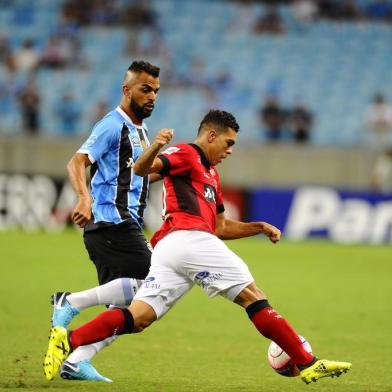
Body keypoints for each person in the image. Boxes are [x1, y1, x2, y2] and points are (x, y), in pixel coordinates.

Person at [44, 110, 352, 385]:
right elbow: (141, 170)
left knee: (139, 317)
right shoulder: (185, 152)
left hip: (176, 250)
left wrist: (258, 227)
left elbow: (220, 227)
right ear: (211, 135)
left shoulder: (211, 175)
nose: (230, 150)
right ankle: (308, 362)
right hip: (187, 240)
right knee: (253, 296)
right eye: (228, 143)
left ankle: (69, 340)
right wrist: (156, 146)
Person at [50, 60, 168, 382]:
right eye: (145, 89)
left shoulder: (140, 132)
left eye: (156, 91)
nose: (152, 96)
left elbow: (134, 176)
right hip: (111, 222)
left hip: (120, 226)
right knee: (158, 281)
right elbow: (76, 162)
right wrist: (84, 198)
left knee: (131, 313)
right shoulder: (112, 125)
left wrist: (176, 172)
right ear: (126, 90)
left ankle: (77, 361)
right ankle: (68, 302)